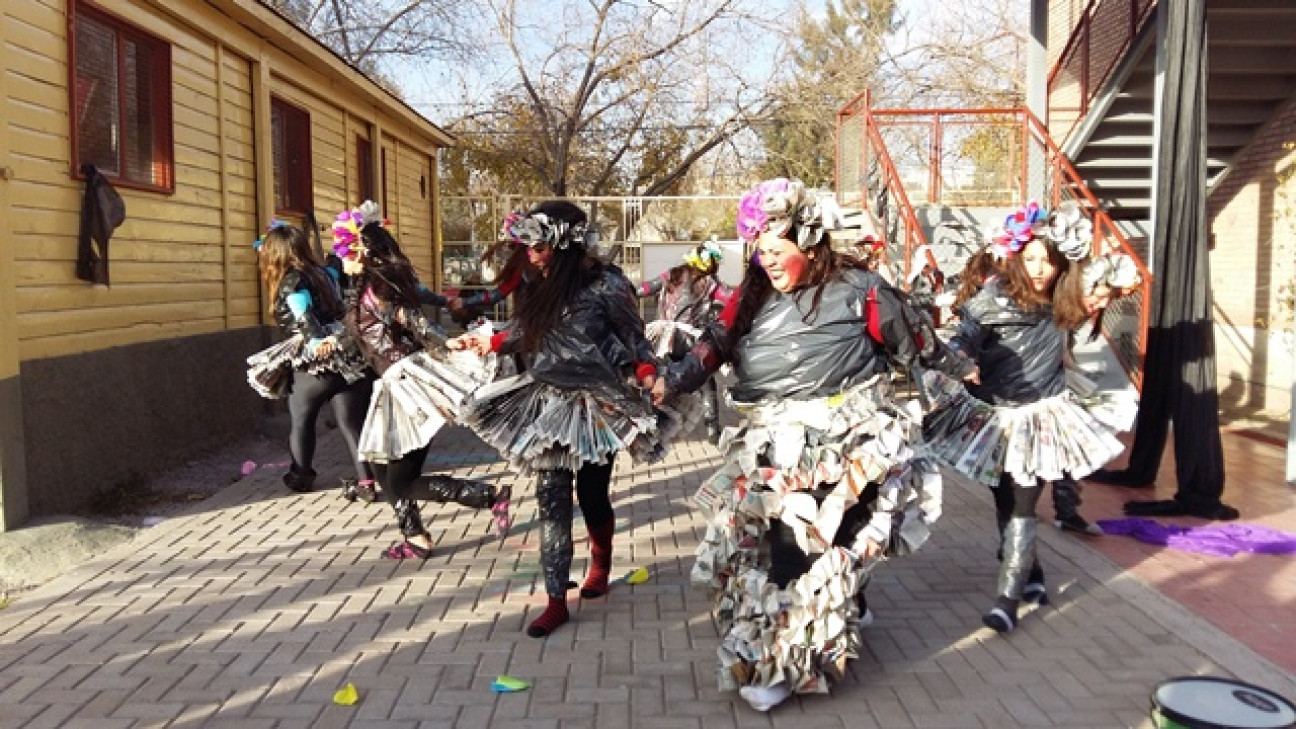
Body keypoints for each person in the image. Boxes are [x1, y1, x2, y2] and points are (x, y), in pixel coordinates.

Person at [650, 178, 978, 712]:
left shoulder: (864, 290)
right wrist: (675, 380)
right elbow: (713, 345)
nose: (768, 261)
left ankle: (792, 650)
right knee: (783, 546)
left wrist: (964, 370)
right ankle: (800, 636)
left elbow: (917, 344)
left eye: (777, 250)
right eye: (759, 251)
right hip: (772, 444)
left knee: (816, 541)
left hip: (843, 442)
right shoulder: (748, 295)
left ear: (809, 241)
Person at [450, 201, 667, 639]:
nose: (530, 250)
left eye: (538, 241)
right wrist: (488, 343)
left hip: (596, 405)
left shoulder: (606, 284)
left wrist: (645, 370)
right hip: (547, 402)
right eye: (527, 241)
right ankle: (555, 601)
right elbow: (528, 331)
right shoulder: (539, 281)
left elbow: (632, 334)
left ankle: (600, 564)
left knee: (591, 494)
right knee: (551, 501)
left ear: (563, 242)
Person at [923, 201, 1129, 634]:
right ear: (1016, 257)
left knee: (1022, 503)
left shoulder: (1064, 301)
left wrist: (1115, 284)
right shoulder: (991, 299)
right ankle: (1032, 575)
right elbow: (965, 336)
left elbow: (1101, 290)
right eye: (1031, 258)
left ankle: (1006, 599)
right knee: (1004, 499)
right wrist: (960, 359)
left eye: (1048, 261)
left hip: (1042, 417)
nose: (1039, 269)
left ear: (1060, 266)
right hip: (995, 417)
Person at [332, 203, 510, 560]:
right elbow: (365, 333)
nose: (341, 258)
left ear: (361, 252)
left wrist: (448, 341)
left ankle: (486, 497)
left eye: (345, 251)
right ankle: (415, 536)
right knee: (383, 467)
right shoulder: (367, 287)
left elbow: (417, 322)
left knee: (402, 480)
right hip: (392, 383)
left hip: (408, 386)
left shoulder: (381, 290)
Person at [246, 218, 376, 501]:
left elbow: (301, 309)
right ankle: (367, 480)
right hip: (349, 353)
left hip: (318, 359)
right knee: (351, 422)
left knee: (302, 419)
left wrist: (316, 340)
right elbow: (337, 265)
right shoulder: (324, 272)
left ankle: (301, 475)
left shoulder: (291, 279)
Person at [637, 238, 733, 443]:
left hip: (664, 338)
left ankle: (653, 427)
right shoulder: (710, 283)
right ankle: (712, 431)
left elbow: (645, 288)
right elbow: (731, 300)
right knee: (706, 382)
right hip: (688, 338)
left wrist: (624, 294)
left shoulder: (673, 274)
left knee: (657, 378)